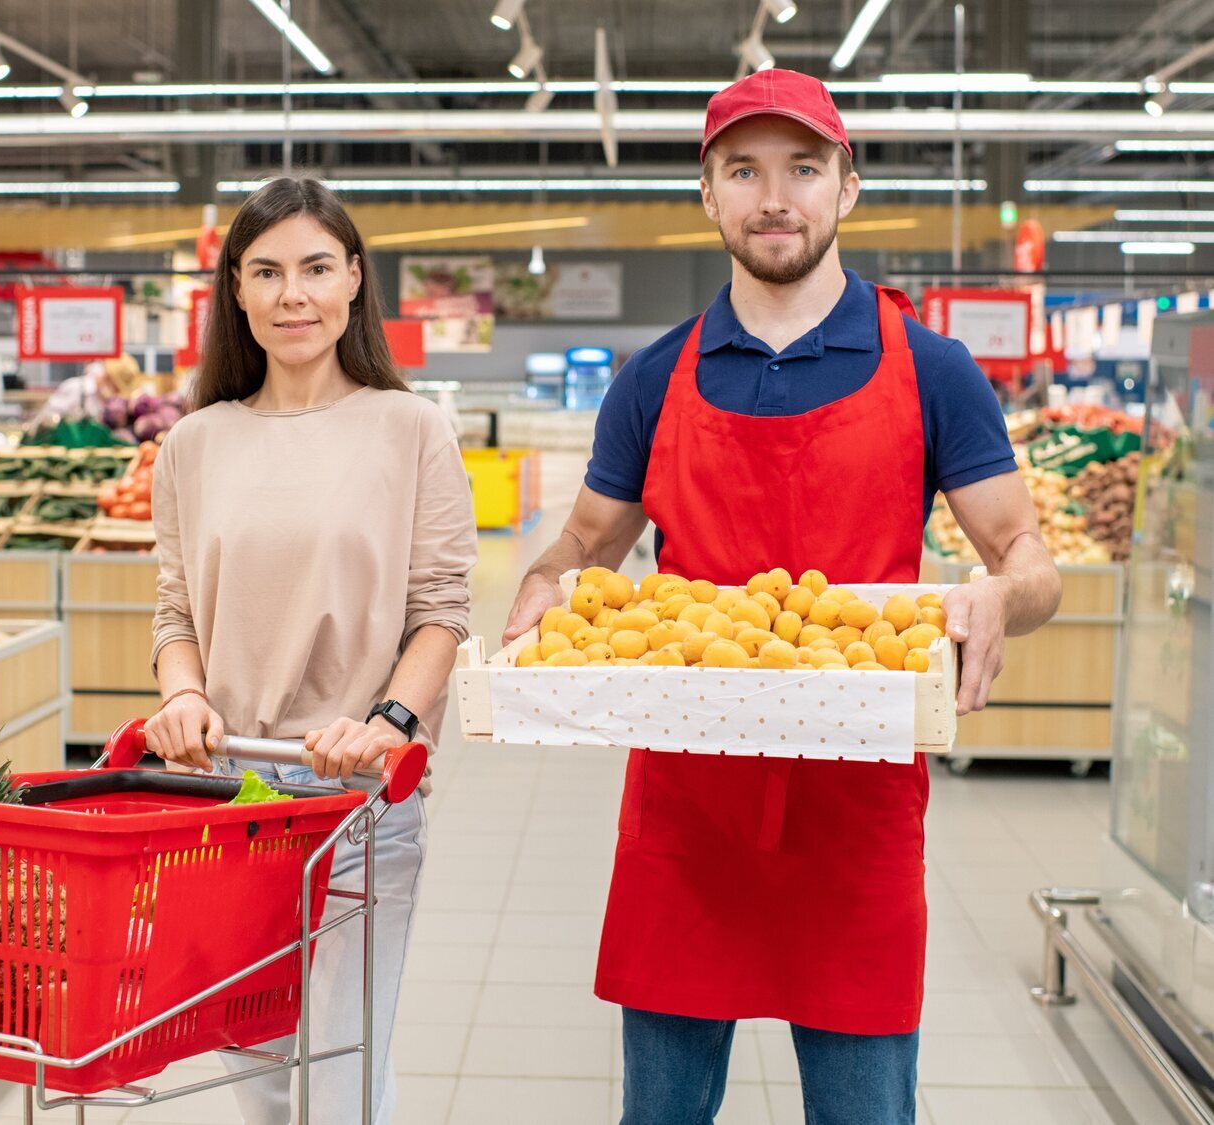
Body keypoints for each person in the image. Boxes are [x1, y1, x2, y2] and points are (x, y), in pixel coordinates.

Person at [503, 70, 1062, 1124]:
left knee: (865, 1112)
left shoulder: (931, 369)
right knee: (659, 1114)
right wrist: (543, 589)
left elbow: (1026, 554)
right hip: (688, 807)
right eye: (743, 170)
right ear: (707, 195)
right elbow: (587, 538)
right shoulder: (654, 378)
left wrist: (1002, 594)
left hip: (858, 809)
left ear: (846, 186)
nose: (775, 197)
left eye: (804, 168)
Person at [145, 176, 475, 1124]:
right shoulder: (194, 444)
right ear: (238, 295)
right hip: (227, 791)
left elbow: (441, 610)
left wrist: (388, 721)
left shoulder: (410, 428)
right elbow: (176, 616)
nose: (294, 294)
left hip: (360, 793)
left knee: (340, 1067)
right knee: (247, 1057)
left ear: (354, 282)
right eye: (269, 272)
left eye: (316, 268)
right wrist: (182, 698)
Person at [35, 353, 145, 425]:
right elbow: (45, 421)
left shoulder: (112, 405)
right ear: (107, 378)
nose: (117, 394)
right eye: (116, 388)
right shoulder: (75, 389)